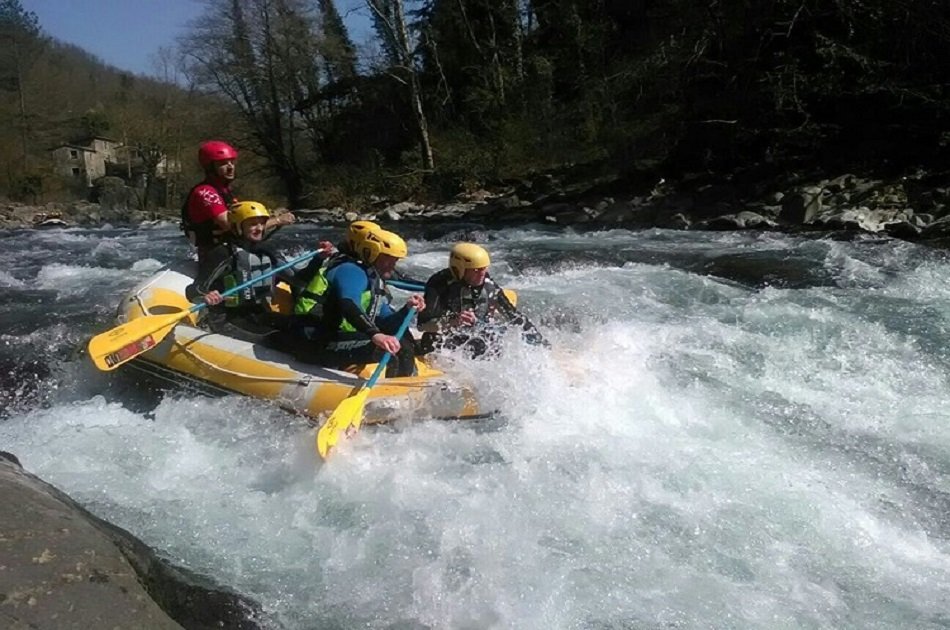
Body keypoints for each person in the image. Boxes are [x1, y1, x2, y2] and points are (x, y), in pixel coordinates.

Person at [291, 227, 424, 377]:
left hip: (339, 337)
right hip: (314, 339)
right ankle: (395, 395)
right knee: (393, 350)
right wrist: (375, 334)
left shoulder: (374, 280)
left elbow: (386, 320)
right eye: (388, 258)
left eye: (396, 260)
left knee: (401, 345)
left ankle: (405, 386)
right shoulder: (350, 270)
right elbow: (348, 304)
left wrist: (407, 309)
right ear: (372, 253)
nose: (393, 264)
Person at [185, 201, 302, 344]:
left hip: (256, 314)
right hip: (225, 319)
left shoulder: (264, 253)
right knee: (283, 340)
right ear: (237, 227)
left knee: (303, 325)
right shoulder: (223, 253)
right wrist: (206, 296)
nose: (259, 228)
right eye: (252, 224)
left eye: (262, 223)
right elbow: (193, 291)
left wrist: (319, 260)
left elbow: (299, 280)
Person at [417, 242, 546, 357]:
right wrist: (454, 321)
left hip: (475, 334)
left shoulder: (487, 282)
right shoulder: (439, 283)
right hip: (444, 339)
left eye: (484, 269)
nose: (482, 274)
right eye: (476, 270)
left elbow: (513, 315)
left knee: (492, 342)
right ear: (460, 269)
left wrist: (539, 340)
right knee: (436, 342)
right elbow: (422, 326)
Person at [181, 140, 294, 258]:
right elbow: (234, 227)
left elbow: (243, 219)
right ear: (210, 168)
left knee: (273, 257)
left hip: (234, 248)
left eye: (232, 162)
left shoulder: (225, 191)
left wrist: (270, 216)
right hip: (216, 254)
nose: (230, 167)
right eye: (223, 163)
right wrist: (278, 221)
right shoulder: (205, 192)